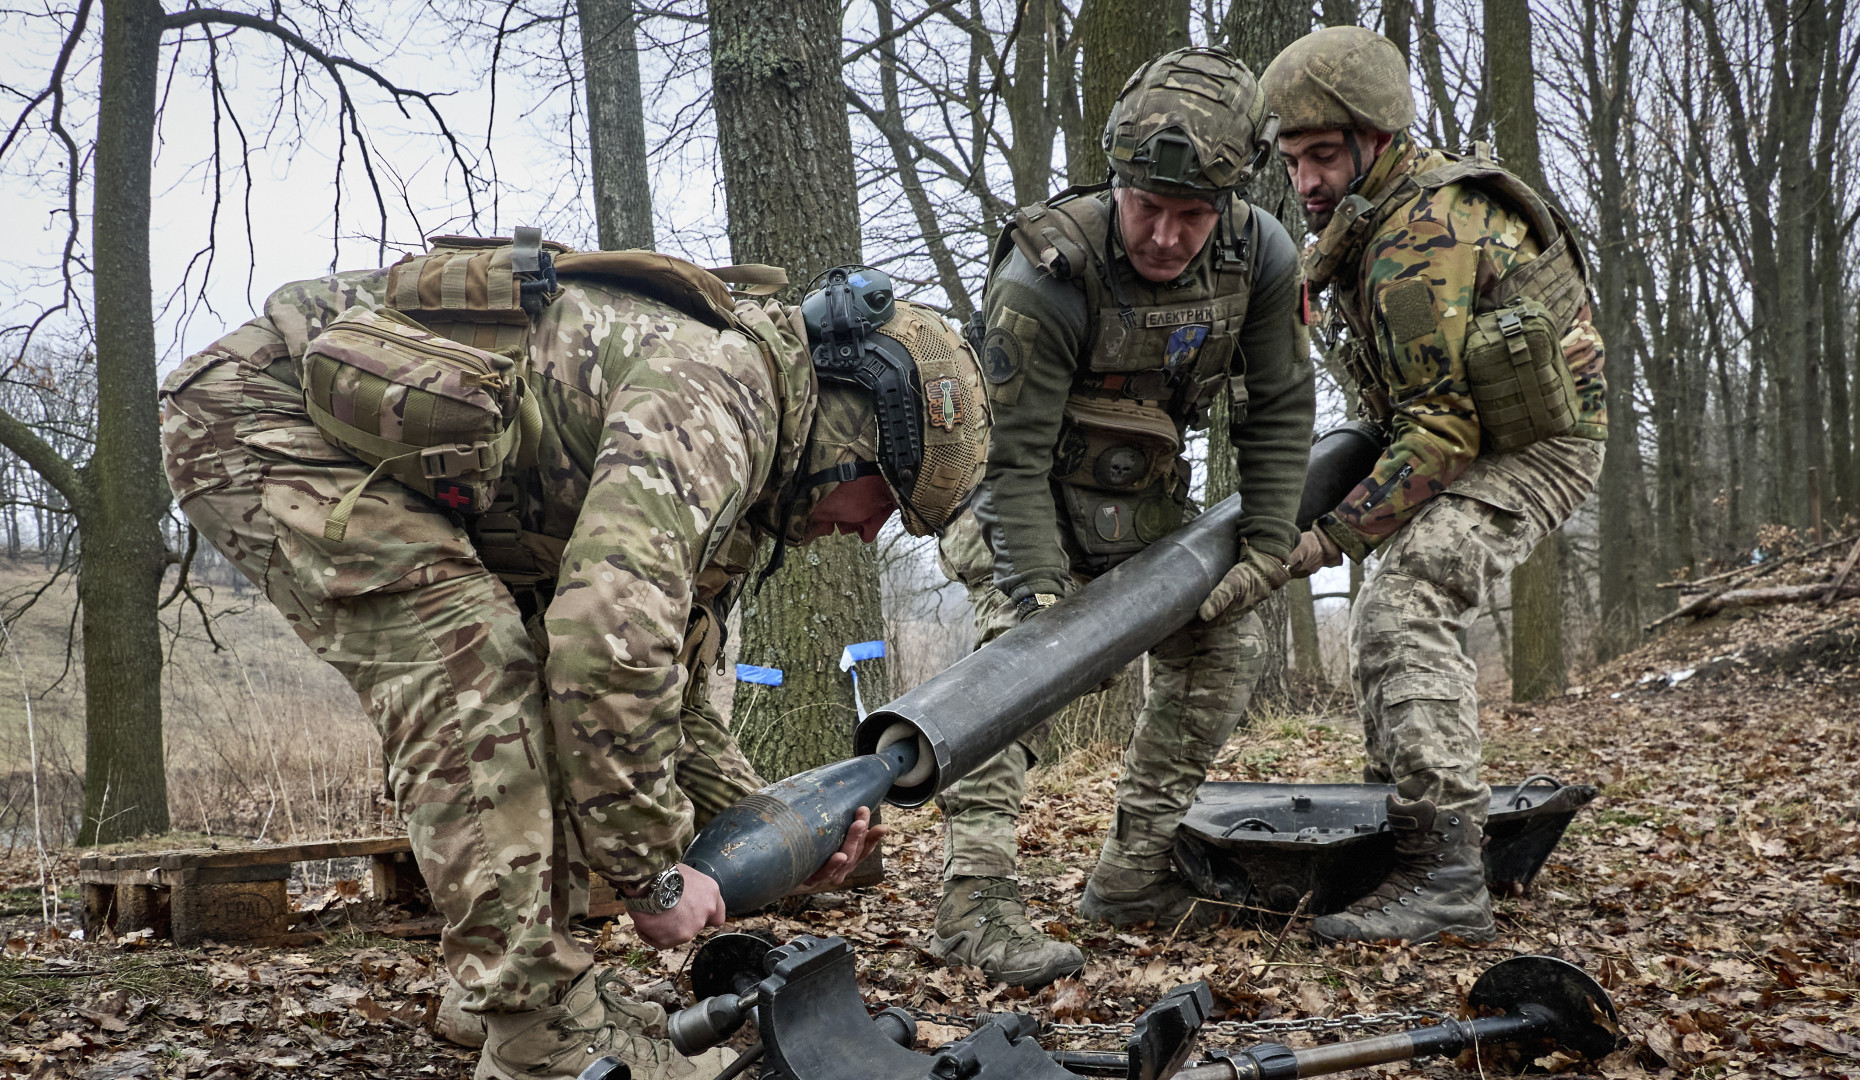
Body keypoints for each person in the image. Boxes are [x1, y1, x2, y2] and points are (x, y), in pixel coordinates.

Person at [159, 241, 990, 1080]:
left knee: (516, 666)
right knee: (470, 661)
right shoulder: (715, 402)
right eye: (884, 499)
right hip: (260, 415)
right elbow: (603, 661)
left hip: (366, 450)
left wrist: (778, 833)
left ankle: (515, 995)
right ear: (847, 433)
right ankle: (541, 1036)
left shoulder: (746, 460)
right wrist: (653, 880)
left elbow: (668, 701)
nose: (866, 532)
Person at [930, 45, 1316, 989]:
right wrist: (1047, 604)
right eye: (1149, 209)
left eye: (1192, 216)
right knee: (1012, 677)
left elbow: (1279, 406)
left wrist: (1265, 546)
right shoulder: (1047, 274)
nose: (1166, 237)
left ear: (1226, 205)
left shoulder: (1259, 252)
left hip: (1143, 505)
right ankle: (974, 905)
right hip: (1019, 509)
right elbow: (1005, 459)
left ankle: (1132, 875)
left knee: (1227, 648)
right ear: (1118, 185)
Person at [1260, 26, 1607, 944]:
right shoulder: (1370, 221)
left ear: (1375, 139)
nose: (1306, 182)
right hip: (1482, 434)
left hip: (1540, 446)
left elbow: (1443, 430)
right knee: (1393, 597)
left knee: (1405, 600)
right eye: (1292, 161)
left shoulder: (1419, 235)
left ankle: (1447, 876)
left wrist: (1331, 537)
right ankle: (1402, 835)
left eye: (1324, 156)